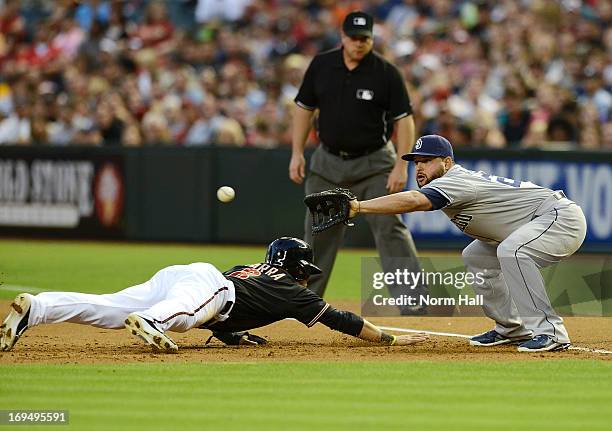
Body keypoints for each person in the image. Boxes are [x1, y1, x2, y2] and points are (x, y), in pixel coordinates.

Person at [342, 134, 587, 352]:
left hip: (558, 218)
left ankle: (551, 332)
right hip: (533, 222)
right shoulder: (449, 180)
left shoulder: (455, 180)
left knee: (512, 251)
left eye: (427, 161)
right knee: (476, 256)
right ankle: (511, 328)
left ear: (446, 162)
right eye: (416, 162)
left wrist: (360, 206)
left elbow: (416, 201)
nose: (419, 168)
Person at [0, 237, 428, 353]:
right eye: (305, 272)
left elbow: (224, 319)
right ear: (296, 268)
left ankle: (38, 307)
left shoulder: (254, 273)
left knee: (111, 308)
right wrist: (388, 338)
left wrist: (236, 337)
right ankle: (154, 322)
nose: (306, 280)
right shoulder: (289, 291)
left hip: (190, 277)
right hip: (209, 289)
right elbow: (343, 320)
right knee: (182, 316)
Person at [289, 11, 423, 302]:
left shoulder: (385, 72)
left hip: (374, 163)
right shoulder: (322, 65)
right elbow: (303, 109)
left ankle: (412, 300)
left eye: (365, 38)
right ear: (343, 37)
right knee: (319, 231)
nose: (359, 43)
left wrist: (402, 164)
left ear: (372, 39)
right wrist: (297, 153)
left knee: (390, 228)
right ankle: (306, 302)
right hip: (328, 163)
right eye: (354, 37)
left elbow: (404, 119)